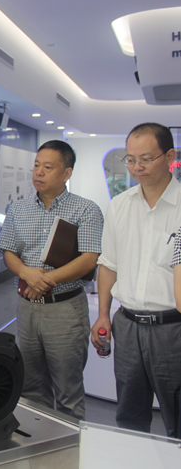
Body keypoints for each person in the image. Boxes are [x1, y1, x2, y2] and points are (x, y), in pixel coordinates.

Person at [0, 140, 103, 420]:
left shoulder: (86, 209)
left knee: (68, 391)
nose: (39, 172)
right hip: (27, 309)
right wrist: (27, 274)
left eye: (47, 167)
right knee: (31, 388)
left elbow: (89, 258)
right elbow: (8, 252)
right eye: (36, 166)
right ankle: (37, 442)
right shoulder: (18, 209)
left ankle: (69, 445)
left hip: (65, 309)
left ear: (67, 173)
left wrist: (44, 280)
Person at [91, 122, 181, 438]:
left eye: (146, 159)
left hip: (173, 330)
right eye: (130, 159)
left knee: (177, 419)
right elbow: (109, 265)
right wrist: (103, 314)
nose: (137, 167)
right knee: (129, 417)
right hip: (127, 326)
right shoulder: (120, 206)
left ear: (169, 156)